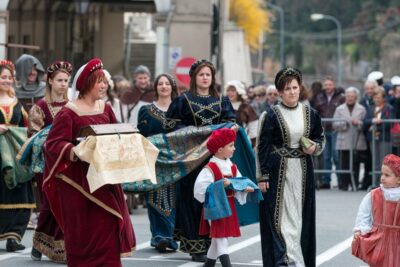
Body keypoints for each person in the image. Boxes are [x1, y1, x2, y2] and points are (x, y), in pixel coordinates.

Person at [43, 58, 135, 266]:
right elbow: (53, 144)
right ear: (86, 83)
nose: (104, 86)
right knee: (84, 236)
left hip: (105, 180)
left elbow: (115, 134)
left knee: (109, 229)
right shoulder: (69, 112)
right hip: (78, 186)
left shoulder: (106, 108)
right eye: (99, 81)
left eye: (105, 81)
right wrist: (76, 151)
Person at [166, 59, 236, 262]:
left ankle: (213, 243)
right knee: (193, 198)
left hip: (215, 159)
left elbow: (231, 121)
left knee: (214, 199)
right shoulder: (183, 100)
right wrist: (195, 133)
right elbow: (171, 126)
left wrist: (230, 128)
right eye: (201, 75)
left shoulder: (222, 100)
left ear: (212, 78)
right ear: (194, 78)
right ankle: (195, 246)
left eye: (208, 75)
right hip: (191, 158)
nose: (205, 78)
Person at [257, 67, 325, 267]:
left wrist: (315, 147)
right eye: (287, 89)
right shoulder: (270, 115)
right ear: (280, 92)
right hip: (278, 173)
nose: (292, 92)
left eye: (295, 87)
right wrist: (263, 176)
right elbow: (262, 146)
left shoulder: (310, 113)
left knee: (299, 217)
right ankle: (284, 259)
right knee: (279, 218)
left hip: (303, 171)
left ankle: (297, 258)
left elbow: (320, 137)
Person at [194, 128, 258, 267]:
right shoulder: (210, 168)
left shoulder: (232, 167)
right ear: (219, 149)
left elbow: (239, 182)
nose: (234, 148)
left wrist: (244, 188)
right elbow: (199, 190)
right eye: (231, 145)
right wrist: (221, 185)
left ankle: (208, 265)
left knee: (218, 239)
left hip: (228, 206)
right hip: (215, 207)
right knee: (221, 239)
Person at [29, 61, 72, 262]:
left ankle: (63, 247)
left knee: (67, 204)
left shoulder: (72, 106)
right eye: (60, 80)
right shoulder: (40, 107)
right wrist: (52, 140)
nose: (63, 84)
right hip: (47, 162)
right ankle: (39, 242)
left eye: (66, 80)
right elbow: (34, 137)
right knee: (49, 204)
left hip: (68, 160)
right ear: (50, 81)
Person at [137, 73, 178, 252]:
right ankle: (159, 236)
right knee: (154, 197)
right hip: (153, 160)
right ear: (155, 88)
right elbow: (141, 136)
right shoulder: (145, 110)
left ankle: (171, 237)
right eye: (160, 84)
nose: (163, 86)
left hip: (175, 161)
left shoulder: (179, 109)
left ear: (172, 87)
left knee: (173, 199)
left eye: (167, 84)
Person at [0, 60, 35, 252]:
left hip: (14, 154)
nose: (7, 80)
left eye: (9, 77)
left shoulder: (17, 103)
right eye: (3, 77)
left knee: (18, 192)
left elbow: (26, 128)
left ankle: (14, 236)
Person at [352, 154, 400, 266]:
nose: (382, 177)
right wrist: (360, 229)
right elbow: (363, 214)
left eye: (387, 175)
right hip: (379, 239)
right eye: (382, 174)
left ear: (398, 179)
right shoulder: (373, 195)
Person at [333, 87, 367, 191]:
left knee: (355, 163)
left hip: (356, 140)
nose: (350, 98)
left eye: (352, 96)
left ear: (356, 97)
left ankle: (354, 184)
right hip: (343, 140)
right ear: (345, 97)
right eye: (348, 96)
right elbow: (334, 124)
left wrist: (359, 123)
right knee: (344, 164)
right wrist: (345, 124)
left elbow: (365, 124)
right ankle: (344, 185)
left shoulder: (362, 109)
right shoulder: (339, 109)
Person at [313, 76, 345, 189]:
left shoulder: (341, 97)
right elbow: (315, 111)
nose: (328, 87)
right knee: (326, 156)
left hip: (335, 130)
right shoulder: (319, 97)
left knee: (336, 156)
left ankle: (341, 180)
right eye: (326, 85)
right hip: (323, 130)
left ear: (334, 85)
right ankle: (326, 180)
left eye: (330, 85)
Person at [363, 87, 394, 186]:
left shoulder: (389, 108)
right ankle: (376, 183)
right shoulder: (371, 108)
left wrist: (378, 125)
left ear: (384, 98)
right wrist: (373, 121)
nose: (376, 99)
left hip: (384, 138)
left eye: (379, 97)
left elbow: (390, 123)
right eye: (375, 97)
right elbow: (365, 121)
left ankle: (385, 183)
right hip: (372, 138)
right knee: (375, 161)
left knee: (384, 161)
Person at [225, 80, 258, 146]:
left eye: (233, 91)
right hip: (225, 141)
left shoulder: (246, 107)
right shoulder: (224, 106)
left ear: (239, 92)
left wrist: (253, 144)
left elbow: (253, 127)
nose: (230, 93)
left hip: (242, 141)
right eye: (228, 90)